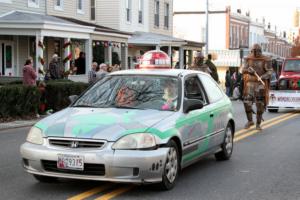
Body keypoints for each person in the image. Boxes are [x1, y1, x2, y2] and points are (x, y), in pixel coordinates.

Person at [242, 44, 273, 130]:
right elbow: (243, 69)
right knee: (246, 102)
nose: (255, 53)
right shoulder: (248, 59)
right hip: (250, 83)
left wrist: (263, 76)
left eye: (257, 51)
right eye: (253, 51)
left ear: (260, 51)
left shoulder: (266, 59)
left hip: (260, 84)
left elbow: (270, 72)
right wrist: (248, 70)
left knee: (260, 104)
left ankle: (258, 124)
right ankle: (250, 121)